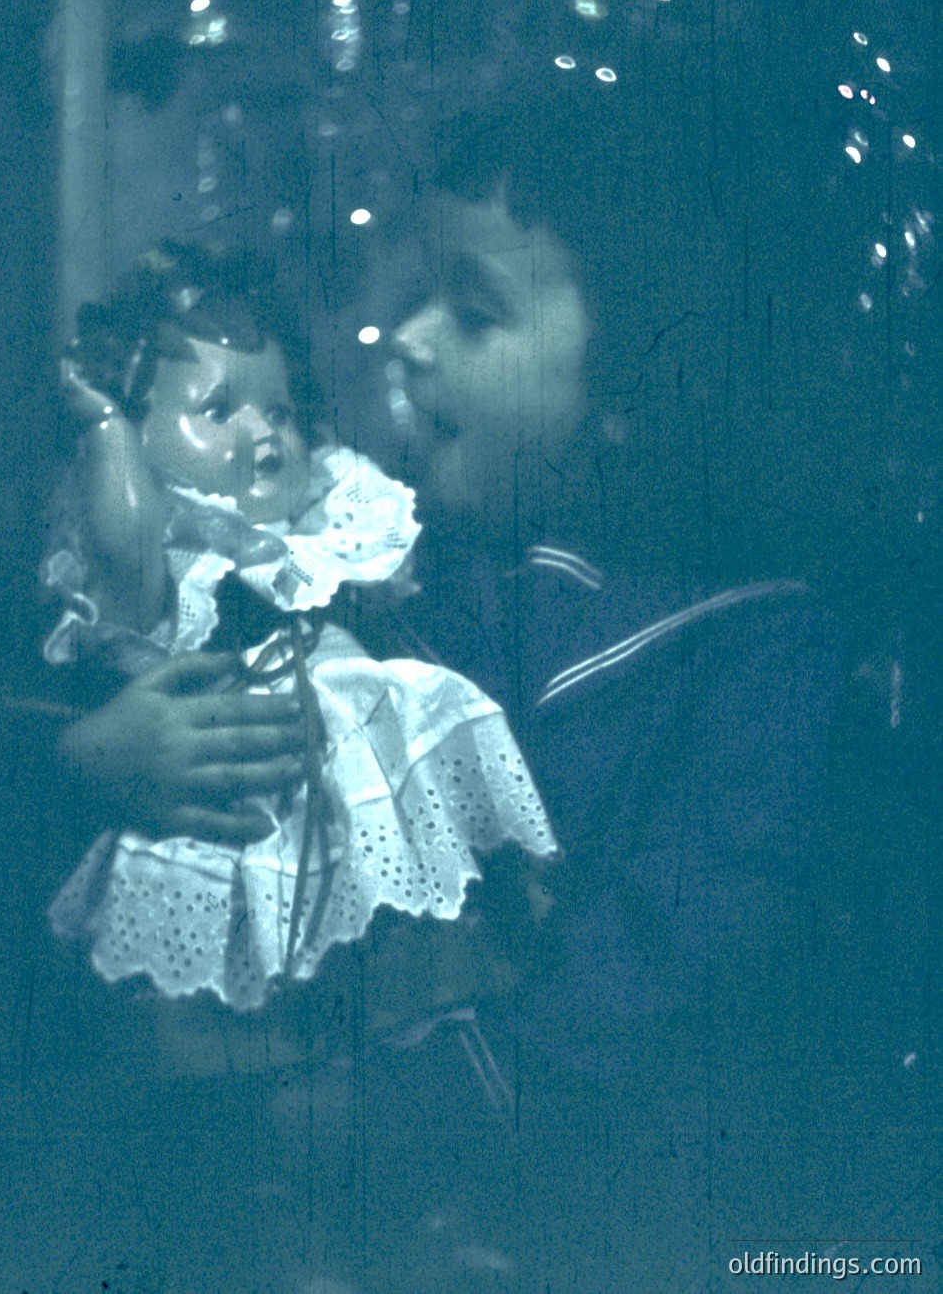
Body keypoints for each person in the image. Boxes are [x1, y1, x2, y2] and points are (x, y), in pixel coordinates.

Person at [49, 103, 841, 1292]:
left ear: (644, 367)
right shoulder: (423, 572)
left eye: (473, 311)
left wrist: (377, 1115)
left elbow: (670, 969)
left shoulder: (761, 644)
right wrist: (100, 754)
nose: (410, 340)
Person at [42, 238, 555, 1020]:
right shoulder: (176, 570)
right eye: (217, 410)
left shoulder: (328, 538)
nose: (263, 431)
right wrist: (108, 429)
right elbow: (125, 548)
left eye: (278, 408)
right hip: (238, 801)